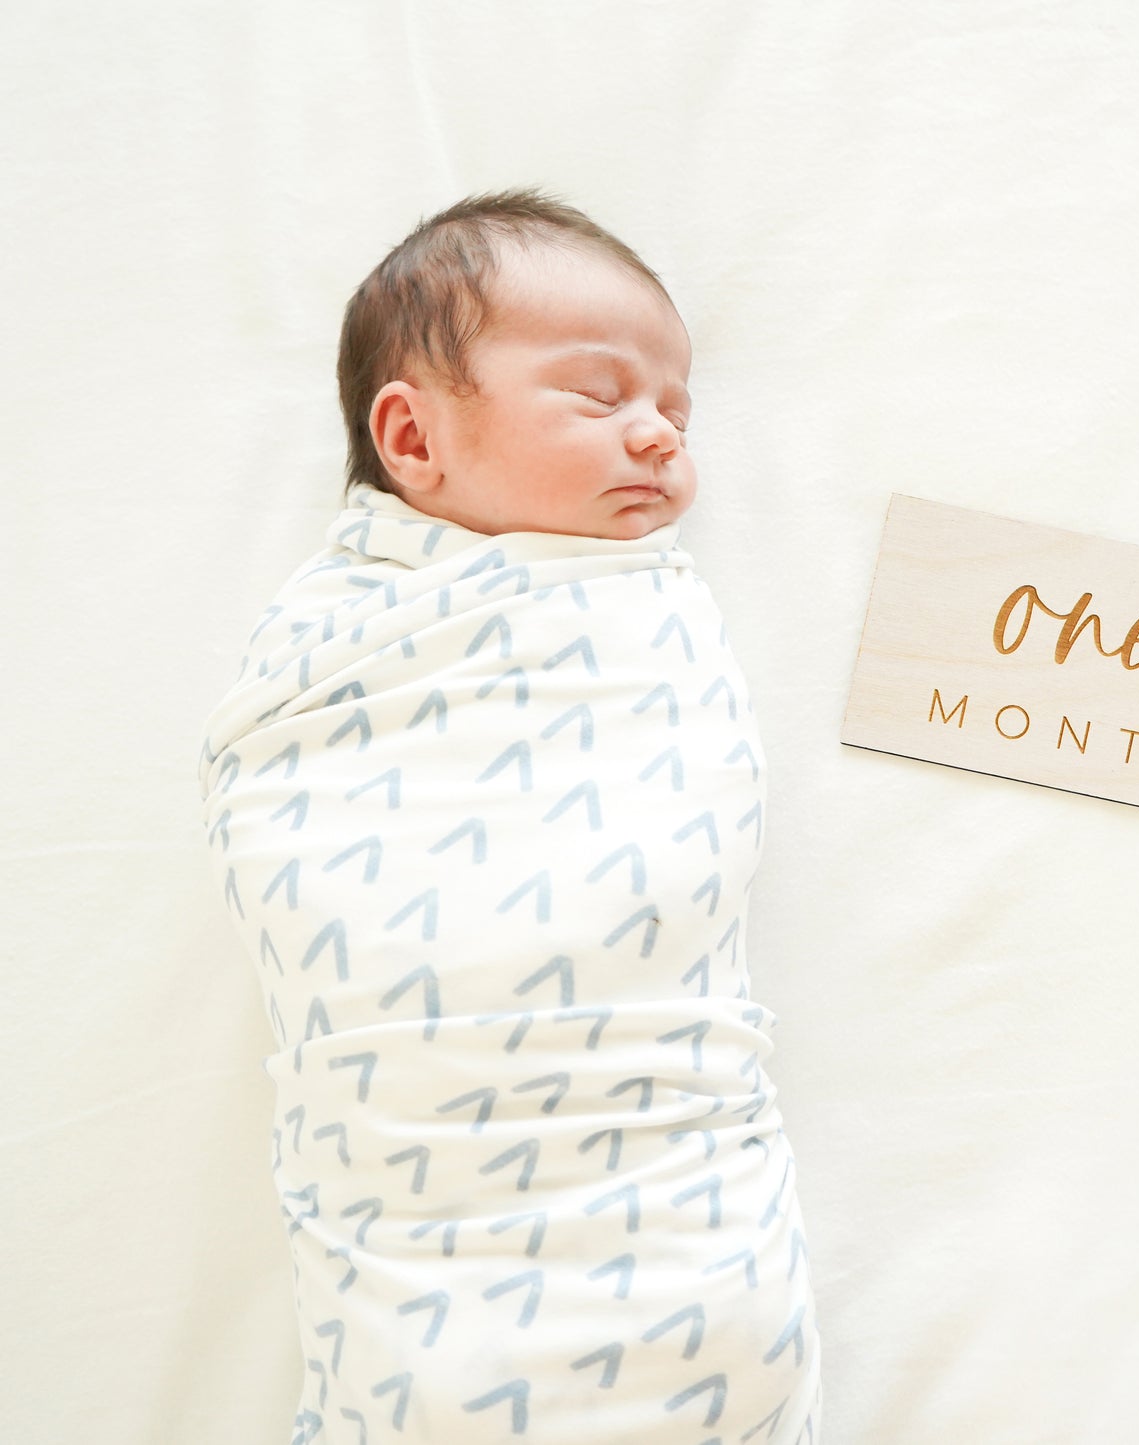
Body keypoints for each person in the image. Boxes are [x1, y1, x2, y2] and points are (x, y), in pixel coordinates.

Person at [200, 191, 821, 1445]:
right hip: (427, 1251)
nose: (656, 436)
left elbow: (684, 824)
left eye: (675, 411)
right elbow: (285, 824)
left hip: (681, 1226)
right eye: (599, 399)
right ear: (413, 439)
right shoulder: (339, 651)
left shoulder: (639, 612)